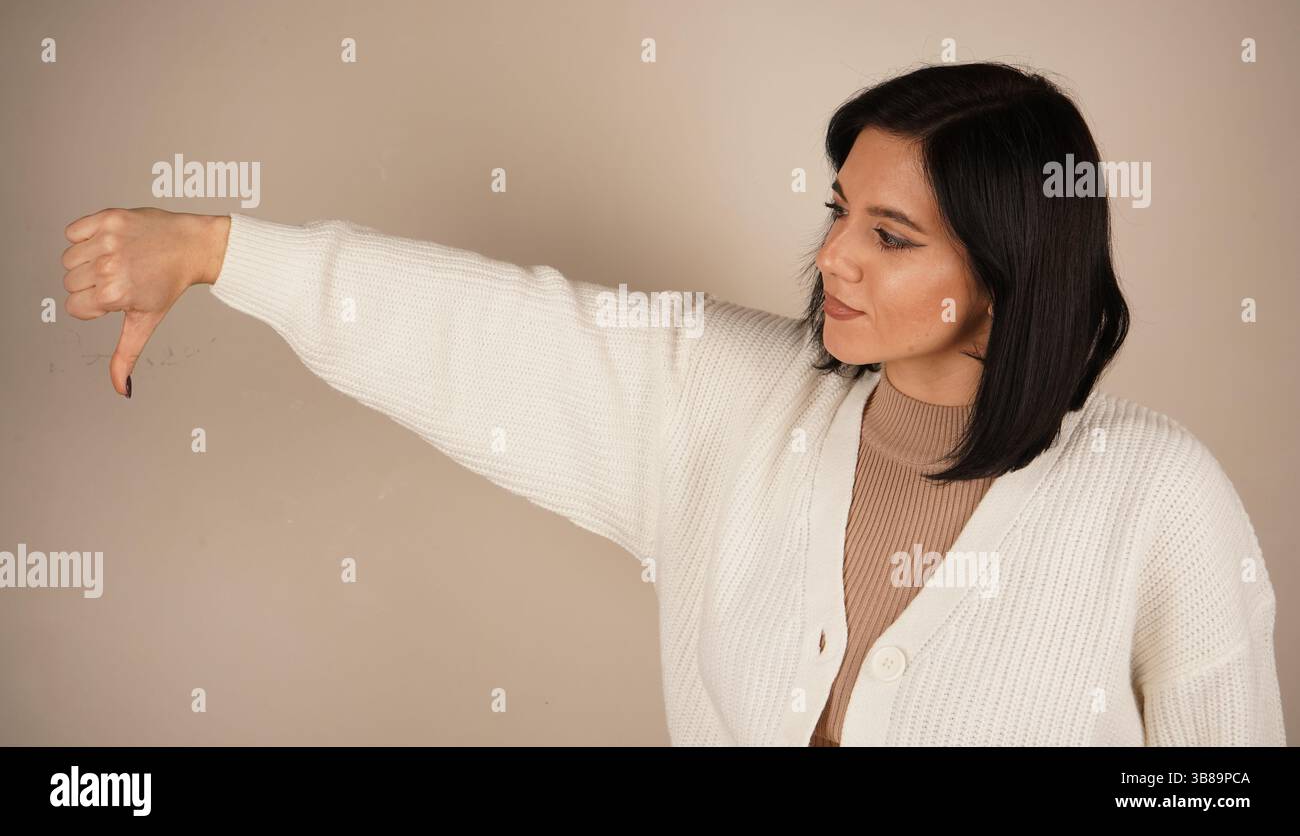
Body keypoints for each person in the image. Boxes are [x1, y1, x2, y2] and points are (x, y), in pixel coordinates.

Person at [59, 62, 1286, 746]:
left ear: (1003, 270)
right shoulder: (730, 401)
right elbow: (491, 331)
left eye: (889, 234)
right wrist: (224, 249)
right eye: (836, 210)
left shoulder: (1151, 492)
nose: (831, 259)